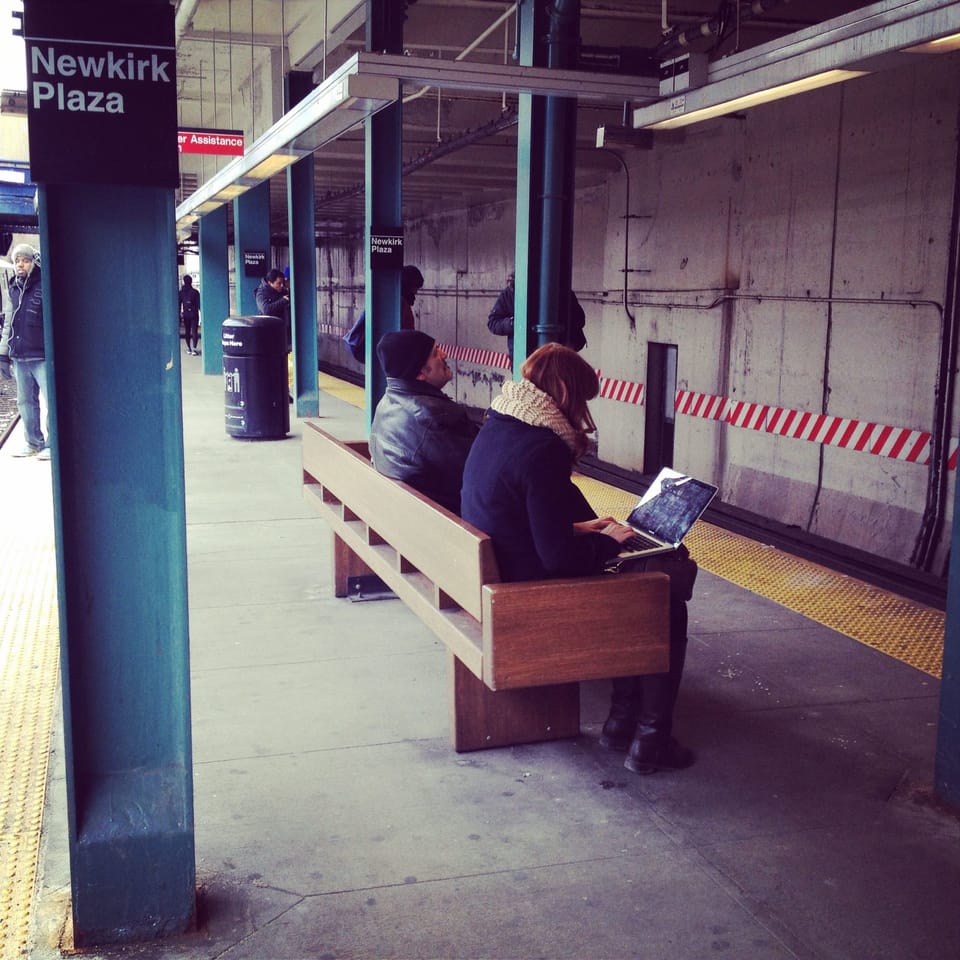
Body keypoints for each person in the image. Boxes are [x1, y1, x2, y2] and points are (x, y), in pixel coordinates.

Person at [461, 342, 696, 775]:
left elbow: (517, 514)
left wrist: (582, 528)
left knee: (638, 586)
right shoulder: (543, 447)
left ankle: (621, 721)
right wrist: (610, 542)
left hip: (501, 570)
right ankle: (649, 739)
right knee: (662, 601)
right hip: (525, 592)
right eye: (584, 399)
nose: (585, 409)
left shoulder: (500, 423)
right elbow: (559, 561)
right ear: (567, 394)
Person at [369, 329, 478, 515]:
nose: (444, 354)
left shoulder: (387, 401)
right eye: (436, 353)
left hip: (406, 512)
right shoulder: (435, 416)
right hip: (447, 520)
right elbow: (478, 470)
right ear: (420, 374)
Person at [0, 243, 50, 459]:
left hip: (42, 355)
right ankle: (33, 443)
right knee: (25, 402)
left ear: (33, 263)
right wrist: (3, 354)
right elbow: (9, 321)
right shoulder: (13, 287)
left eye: (25, 260)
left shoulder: (44, 285)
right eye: (18, 260)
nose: (21, 264)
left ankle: (52, 445)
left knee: (51, 400)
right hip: (20, 355)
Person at [487, 270, 587, 357]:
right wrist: (512, 323)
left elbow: (579, 319)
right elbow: (493, 323)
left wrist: (559, 323)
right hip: (525, 356)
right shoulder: (509, 293)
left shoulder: (562, 291)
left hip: (556, 356)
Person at [343, 264, 425, 363]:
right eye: (415, 287)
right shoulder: (399, 303)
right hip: (376, 349)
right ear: (408, 285)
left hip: (364, 346)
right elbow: (406, 332)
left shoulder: (389, 297)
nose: (416, 292)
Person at [178, 274, 201, 355]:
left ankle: (188, 348)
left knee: (187, 331)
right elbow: (199, 305)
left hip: (186, 314)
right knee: (194, 331)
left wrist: (179, 315)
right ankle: (194, 349)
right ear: (191, 281)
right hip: (194, 314)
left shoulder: (181, 293)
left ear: (184, 281)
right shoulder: (195, 292)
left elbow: (179, 304)